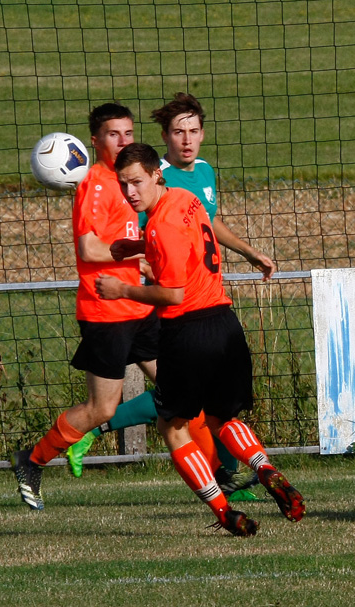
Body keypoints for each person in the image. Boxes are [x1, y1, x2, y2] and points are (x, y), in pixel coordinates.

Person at [65, 93, 276, 500]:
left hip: (203, 298)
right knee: (179, 401)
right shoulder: (147, 175)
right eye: (178, 131)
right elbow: (135, 229)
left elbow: (210, 224)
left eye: (194, 131)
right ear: (164, 136)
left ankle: (230, 480)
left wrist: (249, 252)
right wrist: (139, 264)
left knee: (189, 399)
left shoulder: (205, 173)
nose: (187, 139)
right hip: (169, 300)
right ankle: (231, 480)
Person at [95, 142, 303, 536]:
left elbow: (171, 292)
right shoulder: (188, 199)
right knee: (222, 418)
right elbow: (184, 243)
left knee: (172, 427)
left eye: (137, 182)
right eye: (124, 185)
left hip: (188, 332)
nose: (130, 193)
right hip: (225, 324)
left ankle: (225, 512)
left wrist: (122, 291)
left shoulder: (159, 224)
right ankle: (268, 470)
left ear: (158, 174)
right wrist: (137, 247)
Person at [11, 103, 158, 511]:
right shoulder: (96, 182)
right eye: (114, 135)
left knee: (182, 386)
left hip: (137, 306)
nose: (124, 141)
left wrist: (141, 261)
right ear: (95, 142)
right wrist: (139, 251)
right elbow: (89, 248)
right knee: (101, 407)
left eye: (128, 133)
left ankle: (220, 478)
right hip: (105, 310)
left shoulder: (129, 181)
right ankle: (32, 459)